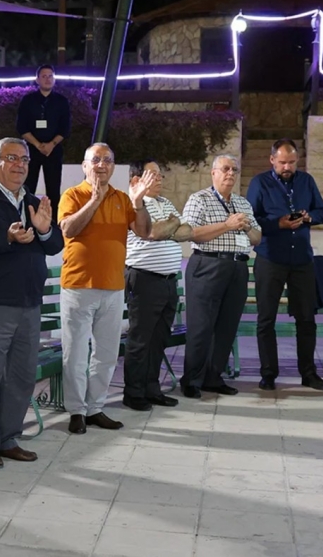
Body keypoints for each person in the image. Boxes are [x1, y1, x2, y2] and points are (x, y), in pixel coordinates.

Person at [0, 137, 64, 470]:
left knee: (20, 376)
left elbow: (55, 244)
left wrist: (44, 231)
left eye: (25, 159)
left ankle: (8, 439)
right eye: (12, 158)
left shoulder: (33, 201)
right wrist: (6, 237)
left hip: (29, 302)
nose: (20, 165)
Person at [57, 143, 153, 434]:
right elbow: (68, 229)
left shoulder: (122, 198)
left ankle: (95, 408)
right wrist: (94, 201)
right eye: (95, 159)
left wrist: (138, 203)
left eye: (107, 160)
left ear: (113, 167)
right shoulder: (73, 195)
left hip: (113, 287)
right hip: (78, 286)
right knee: (75, 354)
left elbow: (144, 231)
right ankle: (76, 410)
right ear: (85, 166)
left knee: (107, 354)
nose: (101, 164)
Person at [246, 139, 323, 391]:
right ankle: (268, 373)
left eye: (292, 162)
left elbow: (322, 211)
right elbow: (251, 220)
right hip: (270, 258)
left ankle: (309, 373)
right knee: (266, 319)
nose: (287, 167)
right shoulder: (260, 183)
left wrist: (309, 217)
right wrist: (278, 224)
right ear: (272, 160)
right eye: (282, 162)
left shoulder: (306, 181)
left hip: (302, 260)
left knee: (306, 318)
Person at [181, 154, 262, 398]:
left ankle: (213, 377)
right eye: (225, 169)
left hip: (237, 267)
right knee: (201, 326)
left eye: (234, 170)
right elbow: (190, 233)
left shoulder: (242, 203)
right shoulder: (199, 199)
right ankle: (191, 380)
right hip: (208, 265)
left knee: (227, 326)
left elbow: (257, 238)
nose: (230, 174)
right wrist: (227, 225)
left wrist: (246, 227)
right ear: (213, 173)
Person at [122, 160, 192, 411]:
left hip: (168, 280)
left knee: (159, 338)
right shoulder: (133, 204)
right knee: (141, 339)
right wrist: (171, 225)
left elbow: (187, 231)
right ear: (136, 179)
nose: (160, 179)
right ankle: (133, 392)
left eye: (161, 175)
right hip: (144, 278)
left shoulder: (165, 203)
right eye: (153, 175)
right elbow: (151, 233)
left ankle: (152, 388)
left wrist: (168, 227)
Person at [16, 64, 71, 223]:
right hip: (31, 150)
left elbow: (65, 128)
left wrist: (51, 144)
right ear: (37, 79)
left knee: (53, 189)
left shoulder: (61, 101)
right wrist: (38, 145)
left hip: (54, 150)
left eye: (50, 76)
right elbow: (21, 127)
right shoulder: (28, 100)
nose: (47, 79)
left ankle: (53, 223)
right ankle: (26, 220)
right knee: (28, 187)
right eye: (44, 76)